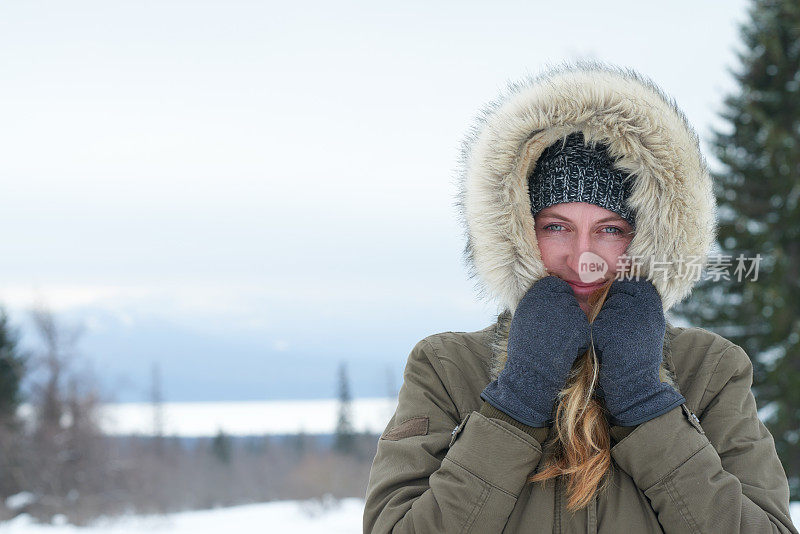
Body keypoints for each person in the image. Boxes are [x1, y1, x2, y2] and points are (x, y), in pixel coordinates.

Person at [362, 61, 798, 533]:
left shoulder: (709, 371)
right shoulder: (447, 369)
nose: (582, 256)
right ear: (518, 233)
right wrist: (516, 399)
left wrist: (648, 405)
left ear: (647, 239)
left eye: (610, 230)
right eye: (556, 227)